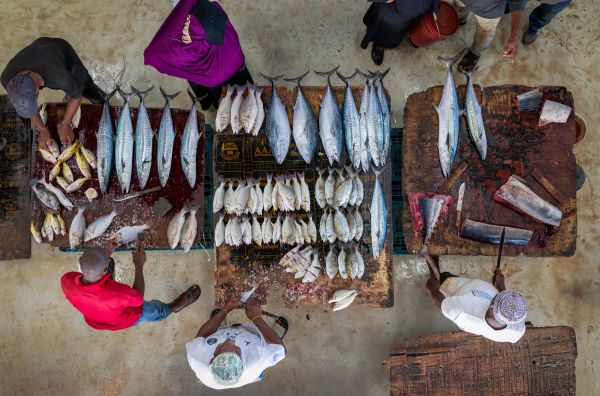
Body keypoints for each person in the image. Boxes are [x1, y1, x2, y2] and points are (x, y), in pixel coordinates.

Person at [61, 240, 201, 331]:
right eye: (106, 264)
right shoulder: (117, 294)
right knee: (152, 310)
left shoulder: (66, 280)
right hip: (123, 318)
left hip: (94, 320)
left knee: (108, 290)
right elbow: (138, 298)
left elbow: (91, 272)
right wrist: (139, 264)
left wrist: (105, 253)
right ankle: (173, 307)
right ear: (104, 271)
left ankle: (104, 267)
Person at [144, 0, 253, 110]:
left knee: (221, 98)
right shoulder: (214, 10)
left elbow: (161, 58)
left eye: (187, 25)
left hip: (216, 78)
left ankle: (211, 102)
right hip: (235, 60)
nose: (185, 25)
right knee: (247, 94)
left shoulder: (190, 49)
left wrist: (151, 55)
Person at [1, 37, 106, 149]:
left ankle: (102, 99)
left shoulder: (60, 78)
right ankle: (71, 89)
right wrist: (42, 129)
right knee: (71, 87)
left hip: (60, 49)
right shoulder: (6, 79)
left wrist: (65, 123)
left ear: (37, 90)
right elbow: (25, 102)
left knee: (83, 85)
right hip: (38, 46)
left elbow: (77, 95)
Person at [422, 247, 527, 343]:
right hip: (472, 287)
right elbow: (508, 308)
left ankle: (432, 259)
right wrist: (501, 285)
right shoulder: (517, 328)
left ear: (491, 304)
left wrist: (432, 288)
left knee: (440, 277)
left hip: (454, 288)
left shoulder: (463, 313)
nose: (498, 293)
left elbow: (441, 304)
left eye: (498, 295)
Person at [186, 293, 286, 389]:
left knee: (216, 328)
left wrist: (225, 310)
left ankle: (221, 324)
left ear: (215, 353)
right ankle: (274, 334)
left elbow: (203, 335)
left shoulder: (196, 357)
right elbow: (281, 349)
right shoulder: (257, 361)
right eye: (238, 350)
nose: (233, 341)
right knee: (272, 341)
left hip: (221, 334)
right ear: (243, 363)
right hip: (252, 336)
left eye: (225, 346)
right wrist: (256, 317)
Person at [452, 0, 529, 71]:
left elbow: (517, 2)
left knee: (484, 32)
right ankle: (460, 18)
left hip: (489, 11)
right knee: (458, 8)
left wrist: (514, 36)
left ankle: (475, 51)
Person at [361, 0, 438, 66]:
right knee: (387, 31)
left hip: (418, 10)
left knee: (416, 23)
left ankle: (412, 35)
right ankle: (380, 45)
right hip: (393, 12)